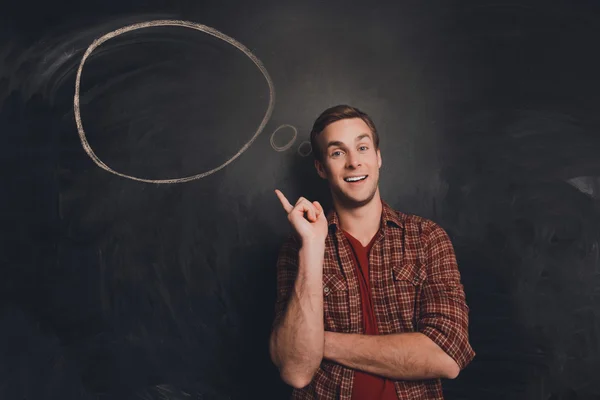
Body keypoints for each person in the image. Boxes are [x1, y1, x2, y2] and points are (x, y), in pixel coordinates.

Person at [269, 105, 475, 399]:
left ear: (378, 157)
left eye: (362, 147)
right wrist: (312, 249)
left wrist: (318, 343)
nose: (354, 162)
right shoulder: (297, 248)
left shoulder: (427, 238)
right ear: (321, 167)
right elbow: (296, 370)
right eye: (337, 152)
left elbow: (447, 356)